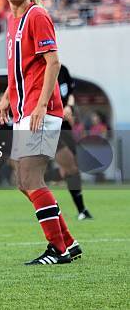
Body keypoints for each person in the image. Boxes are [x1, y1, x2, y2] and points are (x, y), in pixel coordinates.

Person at [0, 0, 81, 265]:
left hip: (39, 108)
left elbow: (53, 63)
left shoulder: (37, 16)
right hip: (22, 108)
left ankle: (58, 249)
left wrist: (42, 105)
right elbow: (20, 68)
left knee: (31, 177)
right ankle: (68, 241)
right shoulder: (11, 20)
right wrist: (7, 97)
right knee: (22, 180)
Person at [55, 64, 93, 220]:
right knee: (69, 167)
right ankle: (80, 210)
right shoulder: (38, 70)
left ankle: (81, 210)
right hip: (48, 127)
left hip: (65, 127)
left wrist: (69, 107)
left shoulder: (62, 69)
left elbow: (70, 93)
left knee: (73, 168)